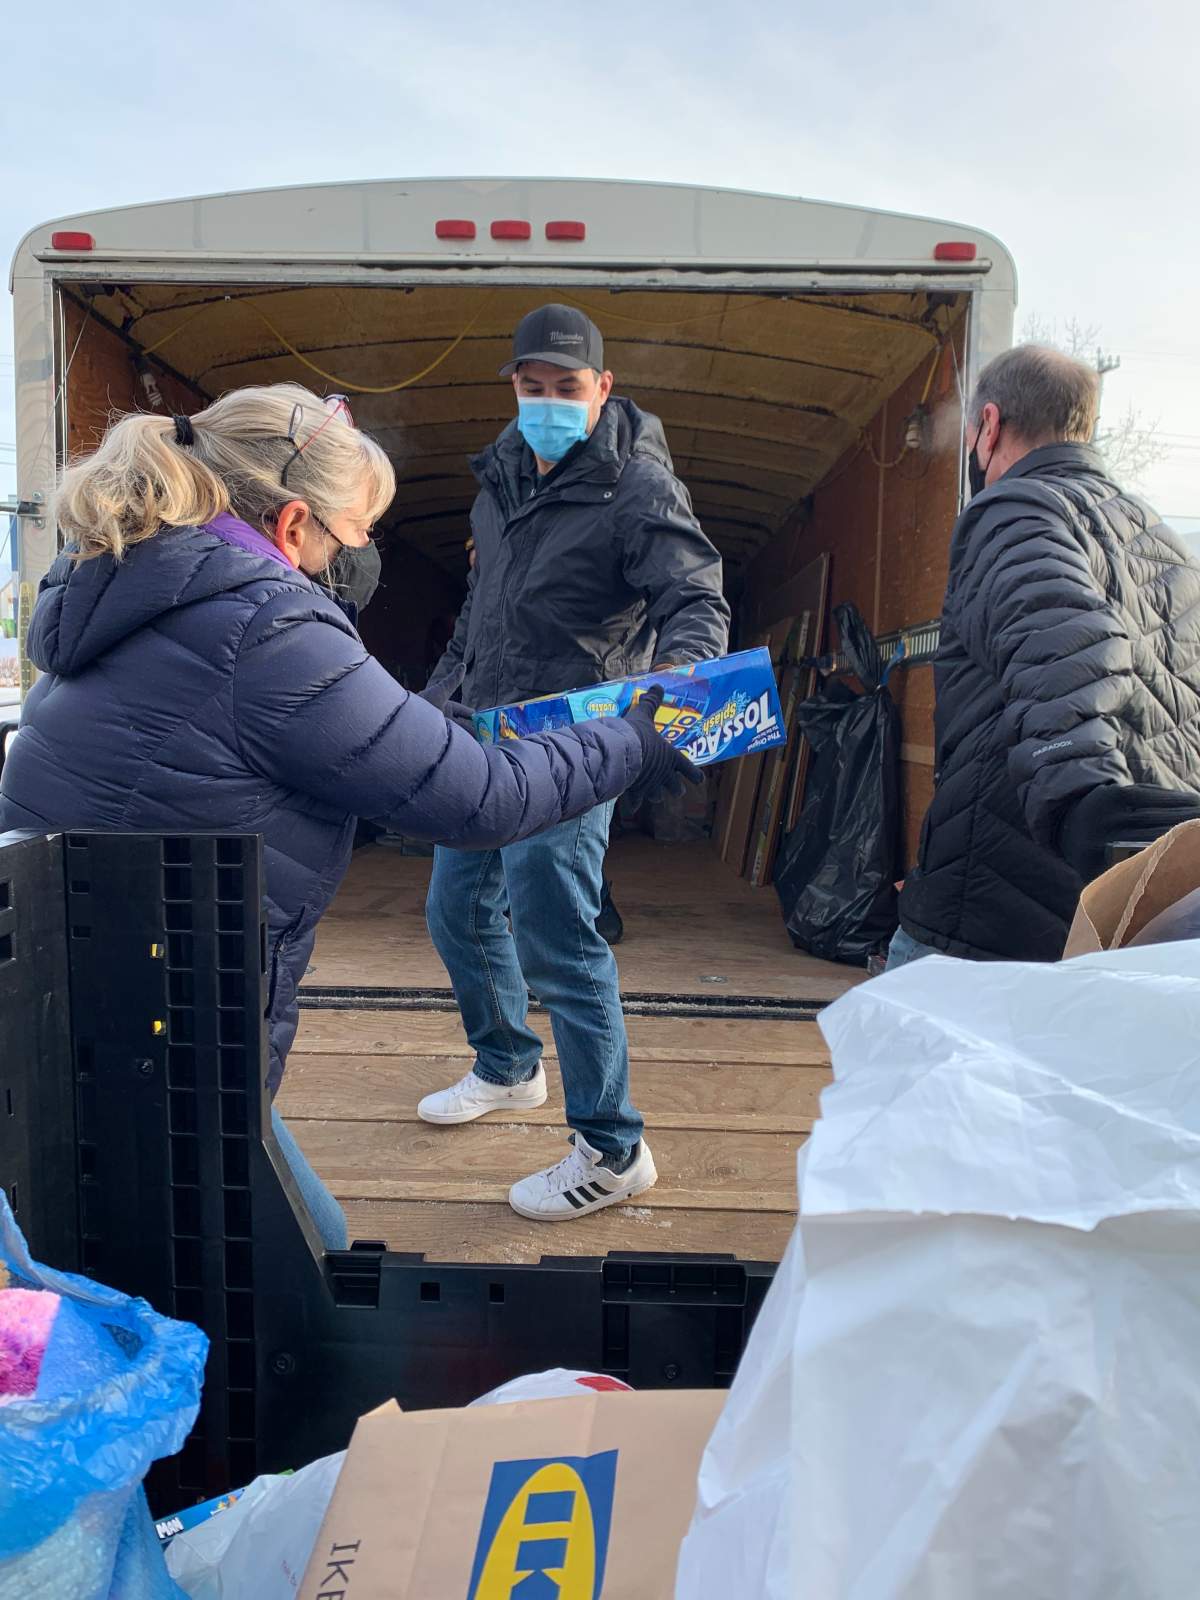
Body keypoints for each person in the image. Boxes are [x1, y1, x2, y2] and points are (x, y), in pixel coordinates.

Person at [0, 383, 696, 1248]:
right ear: (294, 528)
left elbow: (325, 725)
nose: (364, 555)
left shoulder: (135, 582)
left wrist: (440, 725)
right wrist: (642, 731)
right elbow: (483, 799)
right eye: (361, 533)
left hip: (81, 1013)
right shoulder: (268, 625)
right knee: (293, 1273)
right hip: (156, 1050)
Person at [422, 303, 730, 1221]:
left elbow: (694, 599)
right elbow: (479, 614)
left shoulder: (637, 487)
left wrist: (674, 693)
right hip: (483, 737)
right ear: (512, 386)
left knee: (560, 940)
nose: (549, 401)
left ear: (602, 390)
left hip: (574, 741)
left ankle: (611, 1146)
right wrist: (438, 703)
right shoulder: (498, 480)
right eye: (533, 386)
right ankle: (509, 1066)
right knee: (456, 912)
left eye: (568, 388)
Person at [889, 344, 1200, 971]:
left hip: (995, 919)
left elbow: (1069, 640)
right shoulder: (1162, 542)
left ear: (990, 425)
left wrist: (1091, 822)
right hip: (1132, 921)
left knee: (903, 1065)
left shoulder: (1016, 509)